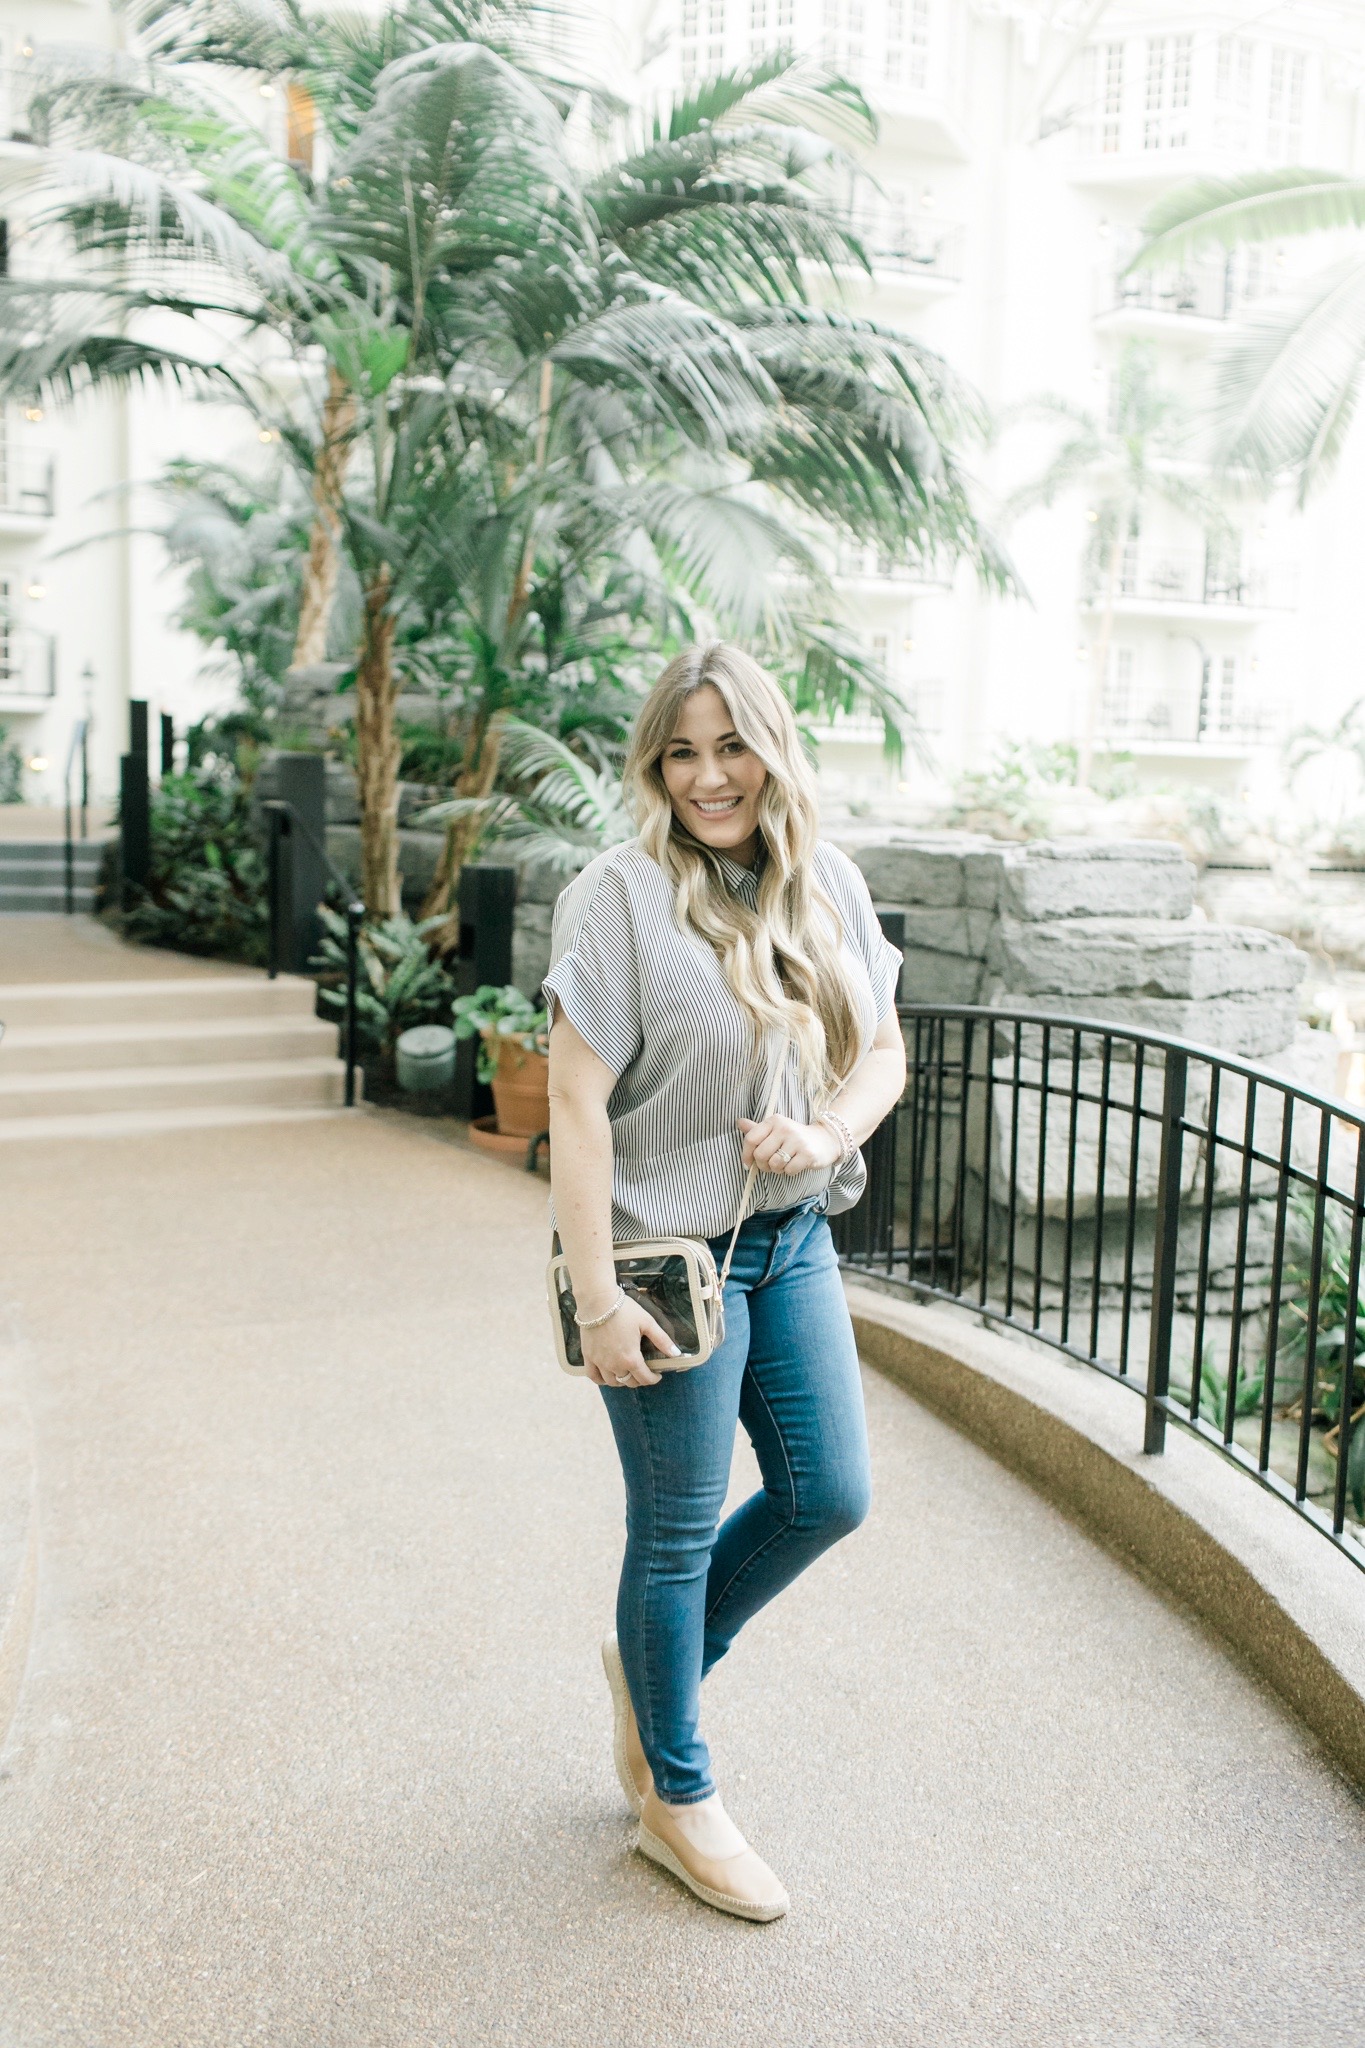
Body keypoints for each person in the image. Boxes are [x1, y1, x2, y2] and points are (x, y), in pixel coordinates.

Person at [545, 643, 907, 1922]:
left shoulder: (829, 888)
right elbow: (577, 1108)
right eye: (682, 751)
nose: (709, 776)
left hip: (792, 1240)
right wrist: (597, 1299)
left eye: (732, 746)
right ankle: (676, 1798)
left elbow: (884, 1055)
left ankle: (655, 1673)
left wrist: (828, 1133)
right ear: (657, 760)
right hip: (666, 1264)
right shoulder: (618, 898)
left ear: (773, 749)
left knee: (831, 1496)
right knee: (680, 1528)